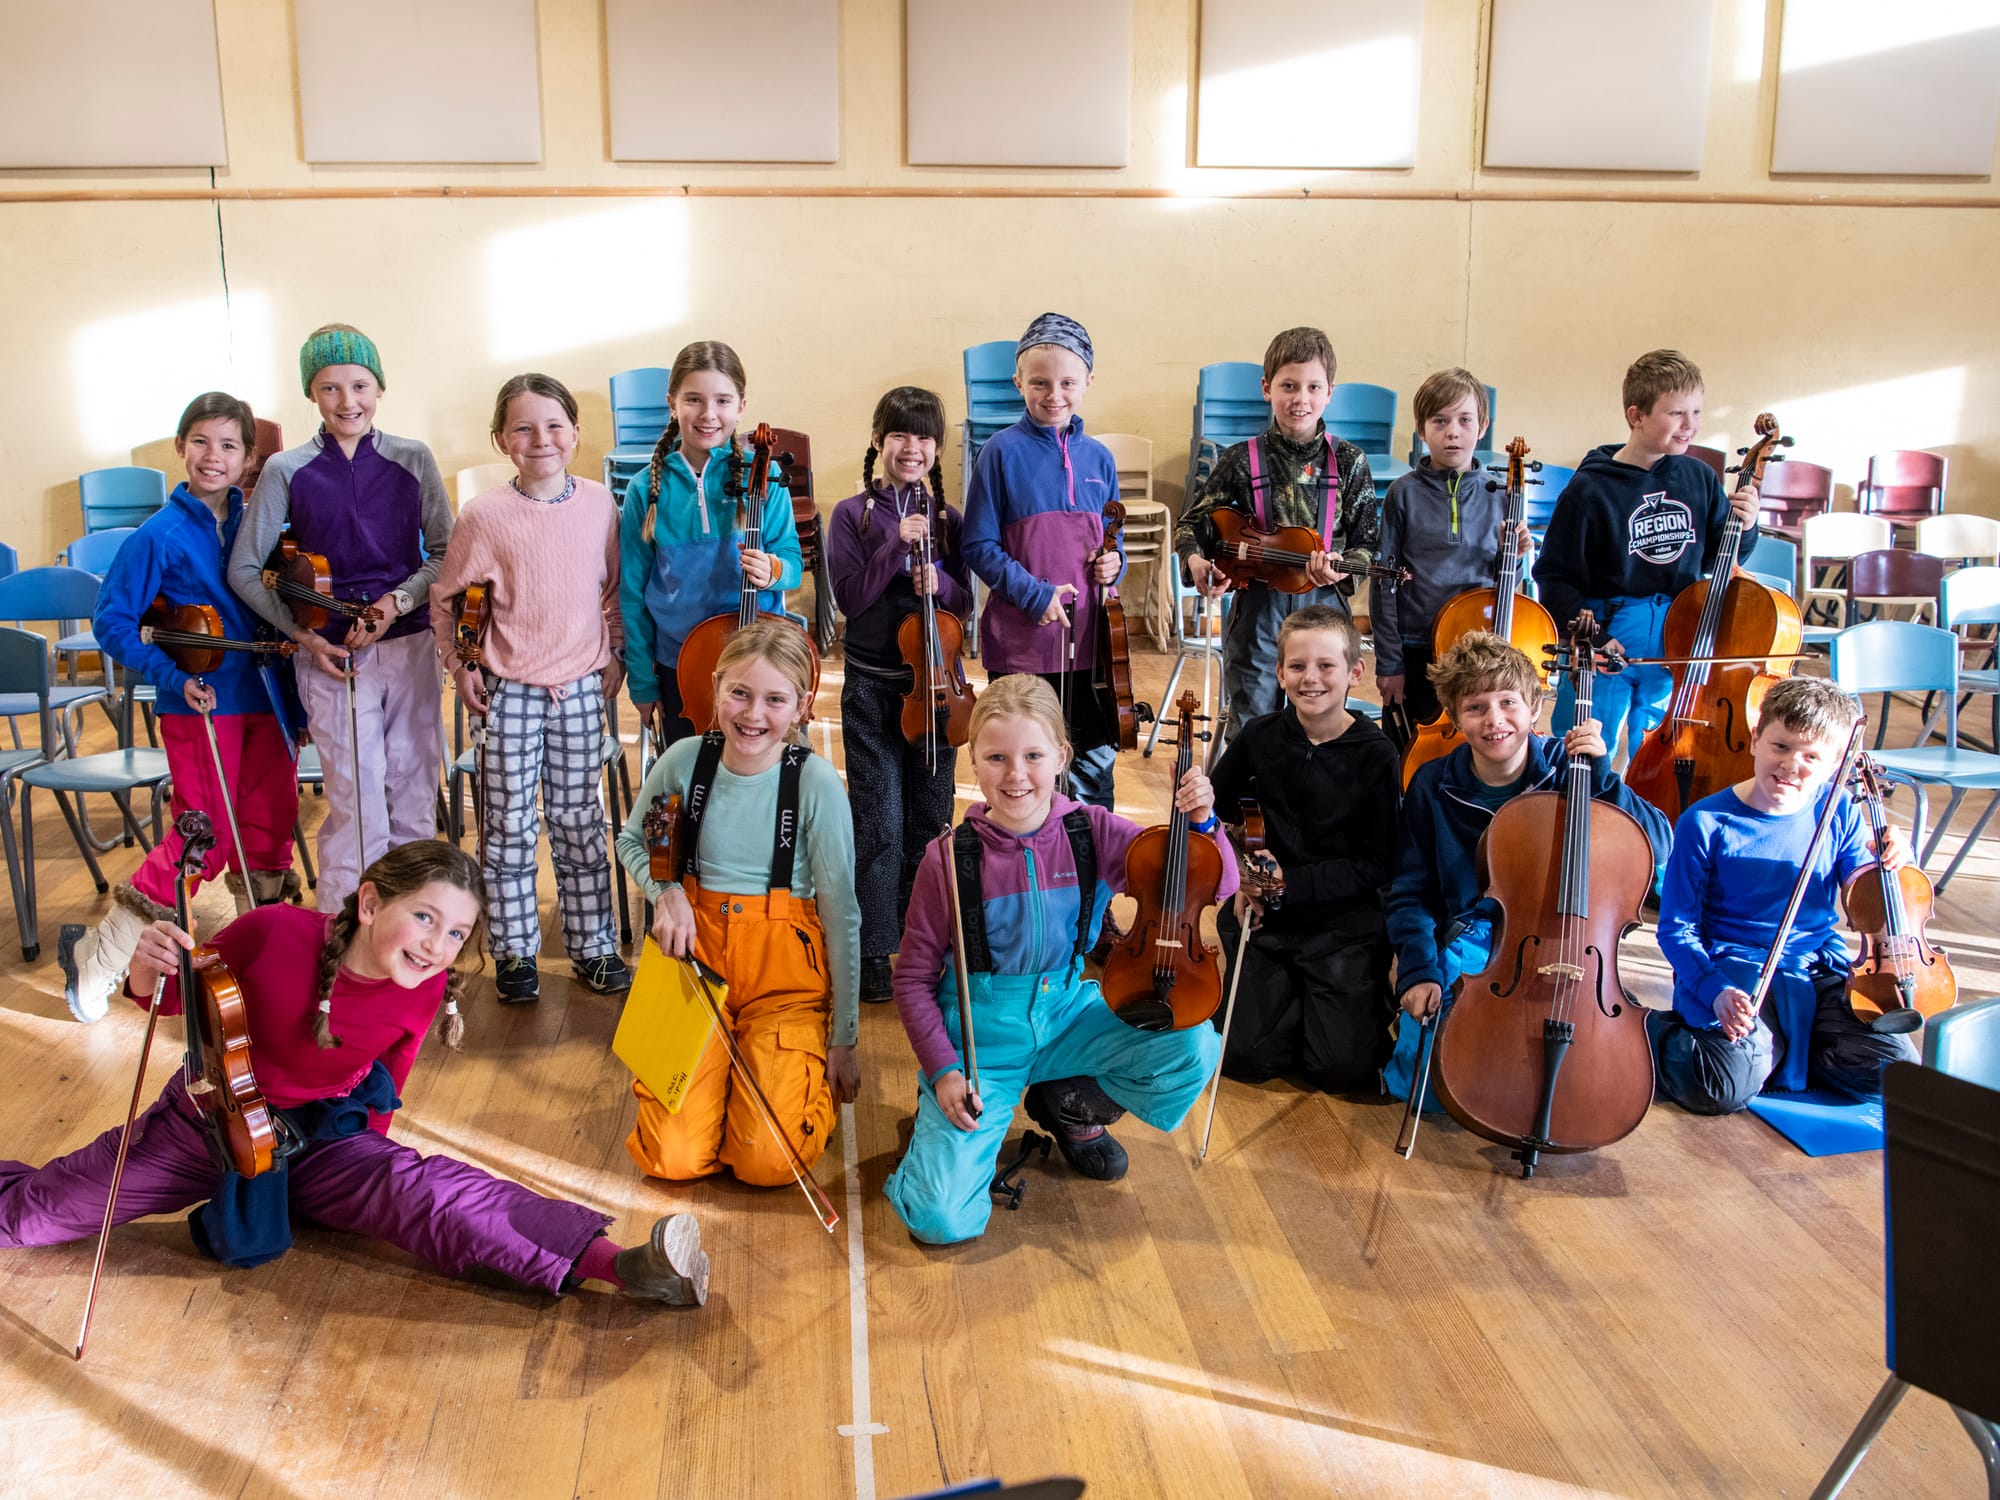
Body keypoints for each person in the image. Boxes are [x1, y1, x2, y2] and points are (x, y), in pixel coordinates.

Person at [3, 842, 708, 1307]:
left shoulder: (427, 987)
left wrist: (368, 1174)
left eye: (457, 933)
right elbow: (177, 1003)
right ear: (371, 903)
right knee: (37, 1215)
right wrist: (144, 969)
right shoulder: (276, 931)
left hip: (320, 1138)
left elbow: (386, 1085)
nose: (437, 944)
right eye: (424, 917)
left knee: (431, 1194)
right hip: (206, 1128)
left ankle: (622, 1265)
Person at [881, 676, 1231, 1245]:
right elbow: (913, 980)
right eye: (996, 757)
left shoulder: (1090, 831)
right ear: (973, 760)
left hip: (1067, 1013)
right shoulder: (945, 859)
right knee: (940, 1219)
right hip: (982, 1040)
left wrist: (1202, 824)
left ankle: (1070, 1105)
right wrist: (944, 1071)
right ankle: (936, 1139)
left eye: (1033, 756)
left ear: (1062, 757)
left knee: (1193, 1045)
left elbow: (1209, 884)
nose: (1016, 775)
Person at [59, 392, 302, 1023]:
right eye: (200, 442)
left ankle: (264, 962)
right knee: (204, 835)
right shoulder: (156, 535)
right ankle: (104, 956)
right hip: (200, 704)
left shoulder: (261, 527)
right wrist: (171, 674)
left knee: (269, 829)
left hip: (266, 699)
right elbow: (112, 621)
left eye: (228, 445)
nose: (212, 457)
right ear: (180, 447)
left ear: (249, 457)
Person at [614, 622, 859, 1187]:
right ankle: (721, 1092)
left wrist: (844, 1036)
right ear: (716, 688)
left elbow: (842, 915)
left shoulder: (816, 784)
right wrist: (666, 891)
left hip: (785, 987)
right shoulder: (682, 762)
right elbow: (639, 841)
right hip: (694, 974)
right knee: (672, 1158)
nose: (754, 714)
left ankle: (795, 1076)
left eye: (775, 699)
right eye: (740, 694)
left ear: (801, 707)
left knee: (767, 1163)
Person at [1384, 632, 1671, 1100]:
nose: (1494, 720)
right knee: (1430, 1091)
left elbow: (1659, 847)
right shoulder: (1433, 785)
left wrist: (1603, 778)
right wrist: (1419, 970)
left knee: (1580, 1086)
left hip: (1567, 944)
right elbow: (1410, 890)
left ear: (1535, 707)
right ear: (1456, 717)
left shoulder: (1571, 769)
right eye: (1475, 707)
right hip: (1471, 941)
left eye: (1508, 703)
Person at [228, 323, 452, 911]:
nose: (346, 402)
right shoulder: (286, 469)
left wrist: (395, 602)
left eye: (359, 385)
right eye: (329, 388)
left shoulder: (413, 458)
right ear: (311, 394)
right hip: (331, 657)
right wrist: (303, 634)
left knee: (412, 790)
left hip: (409, 645)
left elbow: (446, 554)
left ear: (379, 388)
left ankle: (415, 925)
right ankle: (341, 938)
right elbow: (245, 570)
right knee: (356, 798)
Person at [428, 374, 629, 1006]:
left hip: (580, 689)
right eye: (523, 427)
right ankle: (514, 950)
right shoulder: (484, 515)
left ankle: (593, 945)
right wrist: (460, 669)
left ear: (575, 433)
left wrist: (615, 655)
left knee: (579, 822)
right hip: (510, 690)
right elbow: (444, 601)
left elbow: (613, 591)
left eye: (553, 426)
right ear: (501, 439)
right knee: (509, 825)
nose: (540, 439)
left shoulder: (601, 504)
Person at [1650, 677, 1919, 1113]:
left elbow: (1868, 897)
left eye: (1812, 756)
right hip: (1730, 970)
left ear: (1834, 766)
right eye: (1781, 746)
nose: (1791, 765)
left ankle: (1790, 1047)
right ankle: (1654, 1030)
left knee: (1898, 1072)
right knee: (1719, 1089)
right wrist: (1715, 989)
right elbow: (1676, 930)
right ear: (1756, 739)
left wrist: (1893, 858)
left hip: (1812, 969)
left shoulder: (1841, 812)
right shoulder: (1705, 822)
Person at [1531, 349, 1760, 762]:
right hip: (1609, 641)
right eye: (1676, 413)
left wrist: (1747, 524)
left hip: (1676, 639)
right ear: (1636, 415)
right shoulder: (1590, 489)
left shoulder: (1699, 477)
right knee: (1587, 749)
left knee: (1657, 751)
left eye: (1696, 411)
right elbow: (1555, 577)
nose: (1690, 426)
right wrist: (1595, 639)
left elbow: (1722, 560)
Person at [1206, 606, 1399, 1091]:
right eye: (1297, 666)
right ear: (1279, 672)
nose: (1310, 678)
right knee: (1243, 1059)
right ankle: (1292, 1001)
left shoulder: (1377, 754)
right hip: (1266, 917)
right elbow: (1215, 816)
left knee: (1340, 1071)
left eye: (1326, 666)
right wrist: (1240, 876)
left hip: (1341, 925)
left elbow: (1378, 863)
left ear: (1356, 672)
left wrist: (1290, 881)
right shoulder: (1259, 736)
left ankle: (1334, 1003)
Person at [827, 386, 973, 1004]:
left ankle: (923, 943)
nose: (911, 448)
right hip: (872, 688)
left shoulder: (949, 521)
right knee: (880, 821)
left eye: (923, 438)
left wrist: (940, 580)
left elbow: (966, 602)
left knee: (932, 820)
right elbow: (850, 599)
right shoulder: (850, 515)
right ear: (878, 441)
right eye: (899, 436)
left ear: (936, 448)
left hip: (937, 694)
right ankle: (872, 949)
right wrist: (893, 547)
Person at [1174, 326, 1379, 740]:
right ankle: (1248, 805)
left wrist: (1342, 568)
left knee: (1323, 723)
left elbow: (1368, 546)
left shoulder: (1351, 462)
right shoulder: (1239, 459)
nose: (1300, 399)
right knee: (1251, 721)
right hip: (1257, 611)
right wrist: (1195, 560)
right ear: (1267, 388)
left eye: (1312, 387)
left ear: (1329, 392)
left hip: (1325, 609)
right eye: (1288, 386)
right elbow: (1190, 526)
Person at [960, 312, 1124, 808]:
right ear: (1019, 382)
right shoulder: (999, 453)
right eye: (1040, 382)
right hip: (1023, 649)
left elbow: (1114, 544)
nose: (1055, 394)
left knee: (1093, 772)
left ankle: (1091, 877)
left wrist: (1115, 565)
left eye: (1068, 382)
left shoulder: (1100, 458)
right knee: (1023, 773)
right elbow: (978, 546)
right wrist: (1035, 594)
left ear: (1088, 382)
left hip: (1091, 650)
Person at [618, 340, 803, 749]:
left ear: (741, 405)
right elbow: (632, 593)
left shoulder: (766, 477)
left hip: (758, 658)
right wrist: (643, 684)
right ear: (672, 404)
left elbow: (791, 560)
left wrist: (772, 570)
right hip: (680, 662)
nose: (708, 414)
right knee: (691, 775)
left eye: (722, 400)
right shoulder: (643, 490)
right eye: (694, 400)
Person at [1374, 368, 1532, 743]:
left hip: (1478, 649)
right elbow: (1384, 581)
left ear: (1483, 425)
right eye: (1440, 421)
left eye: (1465, 420)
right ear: (1420, 427)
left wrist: (1518, 554)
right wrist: (1390, 662)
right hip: (1417, 646)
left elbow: (1508, 581)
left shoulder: (1502, 494)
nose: (1453, 432)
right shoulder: (1403, 493)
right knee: (1407, 747)